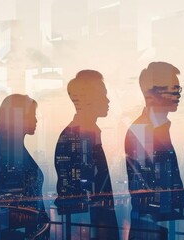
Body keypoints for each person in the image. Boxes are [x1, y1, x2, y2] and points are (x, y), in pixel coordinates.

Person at [125, 62, 184, 239]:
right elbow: (147, 192)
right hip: (153, 230)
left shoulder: (158, 128)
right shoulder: (141, 131)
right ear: (153, 94)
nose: (178, 96)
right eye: (173, 90)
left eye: (179, 90)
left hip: (164, 226)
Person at [54, 70, 119, 239]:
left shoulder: (86, 134)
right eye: (103, 95)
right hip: (91, 226)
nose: (108, 100)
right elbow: (74, 193)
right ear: (89, 99)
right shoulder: (74, 137)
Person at [0, 94, 48, 239]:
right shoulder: (11, 155)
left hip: (24, 227)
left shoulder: (14, 151)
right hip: (20, 230)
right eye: (32, 115)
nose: (36, 120)